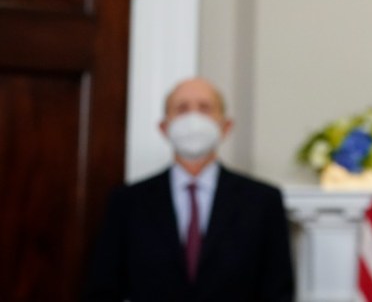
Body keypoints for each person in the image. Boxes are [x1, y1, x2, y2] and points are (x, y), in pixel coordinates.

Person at [84, 78, 294, 301]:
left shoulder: (262, 201)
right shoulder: (127, 202)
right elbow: (103, 288)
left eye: (205, 108)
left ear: (226, 126)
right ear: (164, 127)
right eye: (181, 108)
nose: (193, 118)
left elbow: (278, 290)